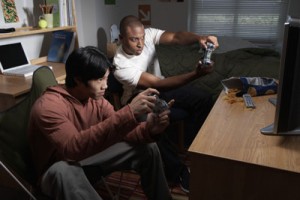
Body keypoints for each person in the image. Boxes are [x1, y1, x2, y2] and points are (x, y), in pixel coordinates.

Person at [27, 46, 174, 200]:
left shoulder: (97, 100)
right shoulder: (48, 106)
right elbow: (72, 149)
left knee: (148, 148)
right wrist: (129, 112)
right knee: (63, 170)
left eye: (106, 78)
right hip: (58, 168)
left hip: (88, 156)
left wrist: (150, 129)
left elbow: (122, 131)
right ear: (78, 79)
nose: (106, 85)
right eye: (99, 79)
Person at [113, 15, 219, 193]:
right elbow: (156, 84)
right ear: (121, 39)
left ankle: (190, 147)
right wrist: (197, 74)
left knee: (204, 99)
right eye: (133, 40)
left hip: (160, 88)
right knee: (152, 123)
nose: (140, 44)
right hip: (139, 97)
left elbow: (176, 37)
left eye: (142, 38)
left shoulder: (148, 34)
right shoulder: (120, 64)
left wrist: (200, 38)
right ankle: (177, 172)